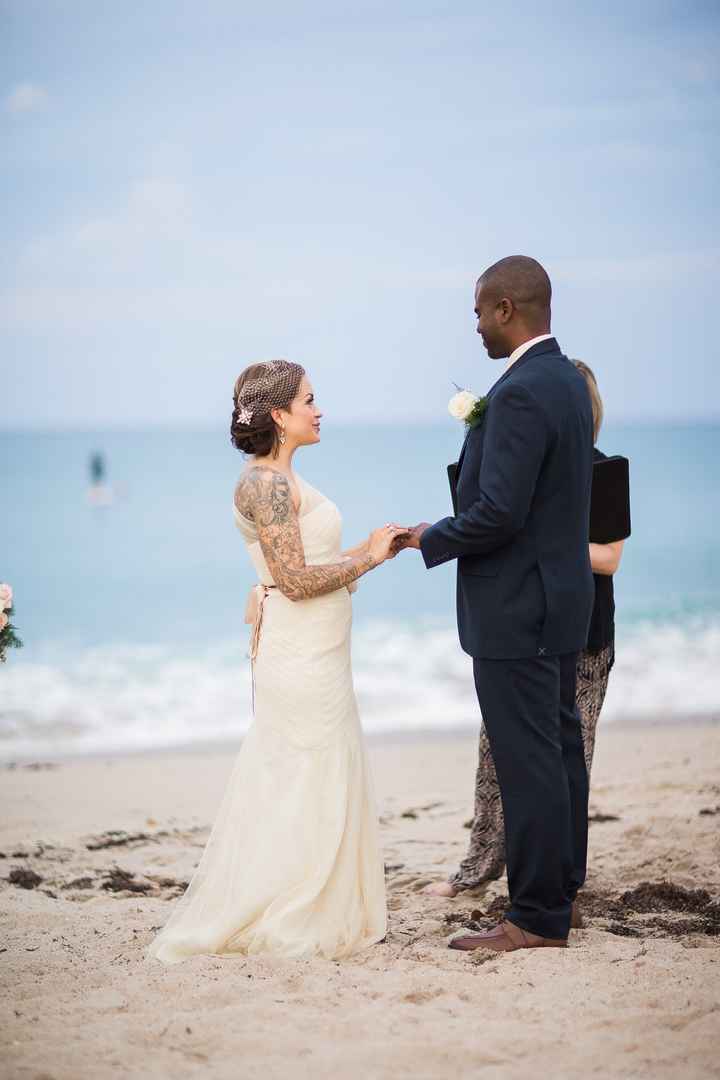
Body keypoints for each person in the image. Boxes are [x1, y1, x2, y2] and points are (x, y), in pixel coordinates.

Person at [148, 359, 407, 964]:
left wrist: (372, 548)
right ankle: (293, 907)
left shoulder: (284, 478)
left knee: (324, 770)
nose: (319, 410)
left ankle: (325, 900)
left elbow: (308, 562)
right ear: (278, 415)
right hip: (299, 652)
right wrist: (368, 560)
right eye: (309, 400)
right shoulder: (265, 483)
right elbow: (292, 580)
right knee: (302, 774)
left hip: (321, 646)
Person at [398, 256, 595, 952]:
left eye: (480, 311)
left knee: (528, 761)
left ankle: (535, 917)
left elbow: (498, 515)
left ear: (507, 308)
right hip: (561, 597)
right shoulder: (566, 380)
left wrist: (429, 536)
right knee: (559, 750)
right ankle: (560, 893)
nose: (476, 325)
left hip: (517, 606)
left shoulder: (519, 392)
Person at [425, 360, 624, 904]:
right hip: (523, 624)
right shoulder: (521, 471)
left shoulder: (605, 470)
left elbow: (609, 558)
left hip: (586, 631)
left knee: (569, 756)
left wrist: (543, 541)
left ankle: (562, 880)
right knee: (495, 756)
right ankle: (480, 865)